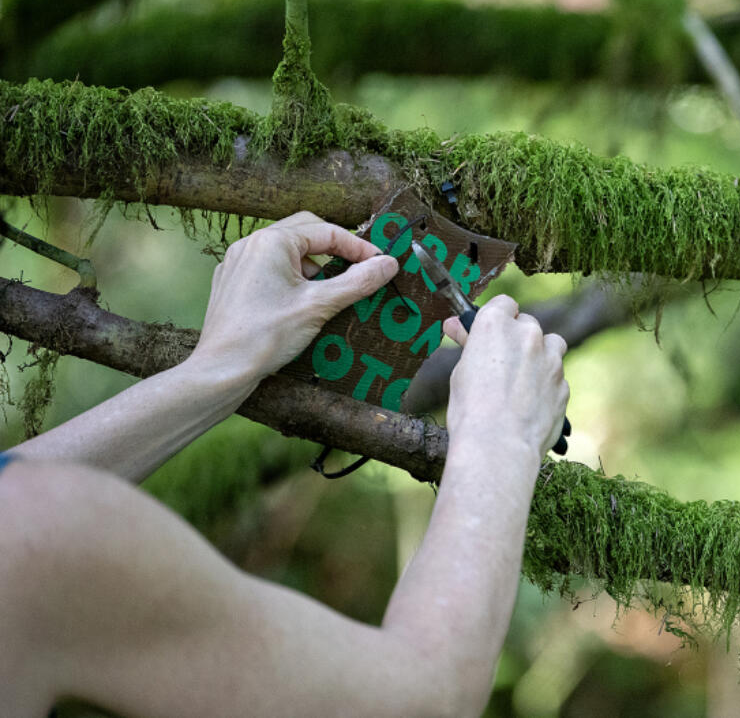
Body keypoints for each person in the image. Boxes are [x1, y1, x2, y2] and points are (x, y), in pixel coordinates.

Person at [0, 211, 570, 717]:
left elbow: (25, 493)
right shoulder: (39, 542)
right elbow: (425, 699)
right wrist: (501, 440)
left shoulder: (34, 532)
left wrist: (217, 370)